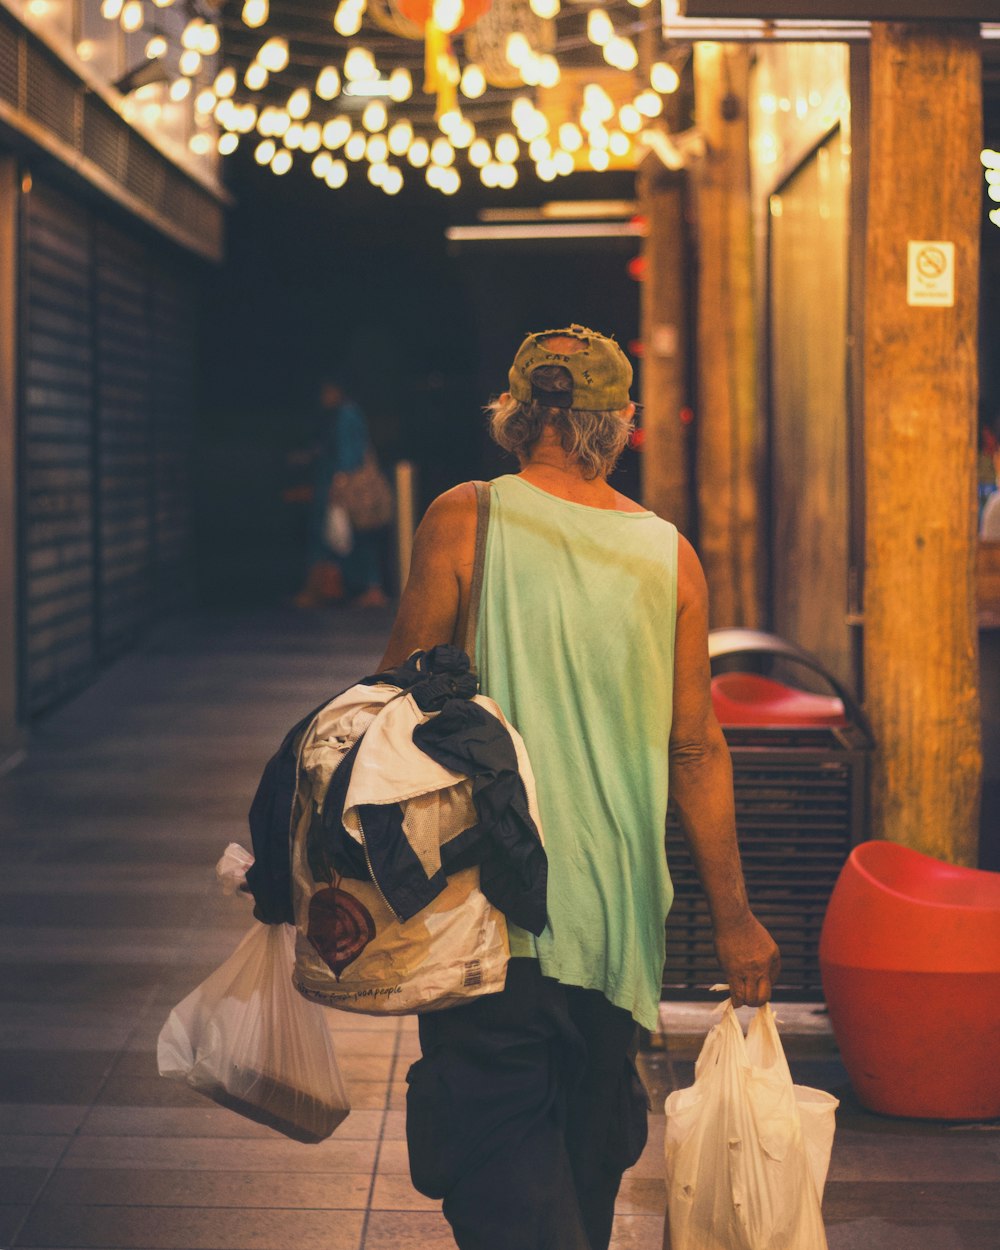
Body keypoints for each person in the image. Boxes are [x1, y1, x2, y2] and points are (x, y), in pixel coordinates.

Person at [376, 324, 780, 1250]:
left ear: (514, 416)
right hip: (620, 923)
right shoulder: (670, 556)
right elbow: (694, 750)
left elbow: (391, 701)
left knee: (501, 1164)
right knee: (586, 1167)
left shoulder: (462, 516)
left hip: (492, 912)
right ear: (622, 425)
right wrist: (734, 916)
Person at [293, 379, 389, 609]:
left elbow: (349, 452)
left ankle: (327, 589)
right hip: (339, 482)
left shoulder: (345, 414)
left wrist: (339, 482)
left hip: (343, 486)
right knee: (348, 536)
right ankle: (347, 587)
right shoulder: (342, 414)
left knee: (342, 535)